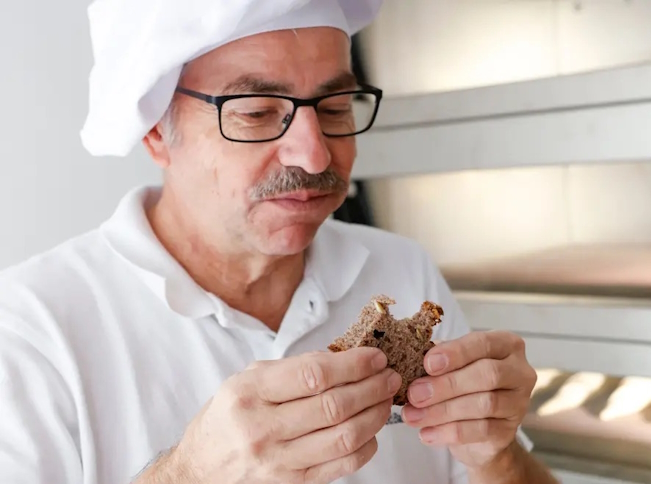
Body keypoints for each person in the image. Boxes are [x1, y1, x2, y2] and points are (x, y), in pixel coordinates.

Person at [0, 0, 560, 483]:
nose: (315, 155)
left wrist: (495, 454)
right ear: (154, 130)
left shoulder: (401, 270)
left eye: (335, 108)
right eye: (258, 113)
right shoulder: (31, 329)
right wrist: (188, 475)